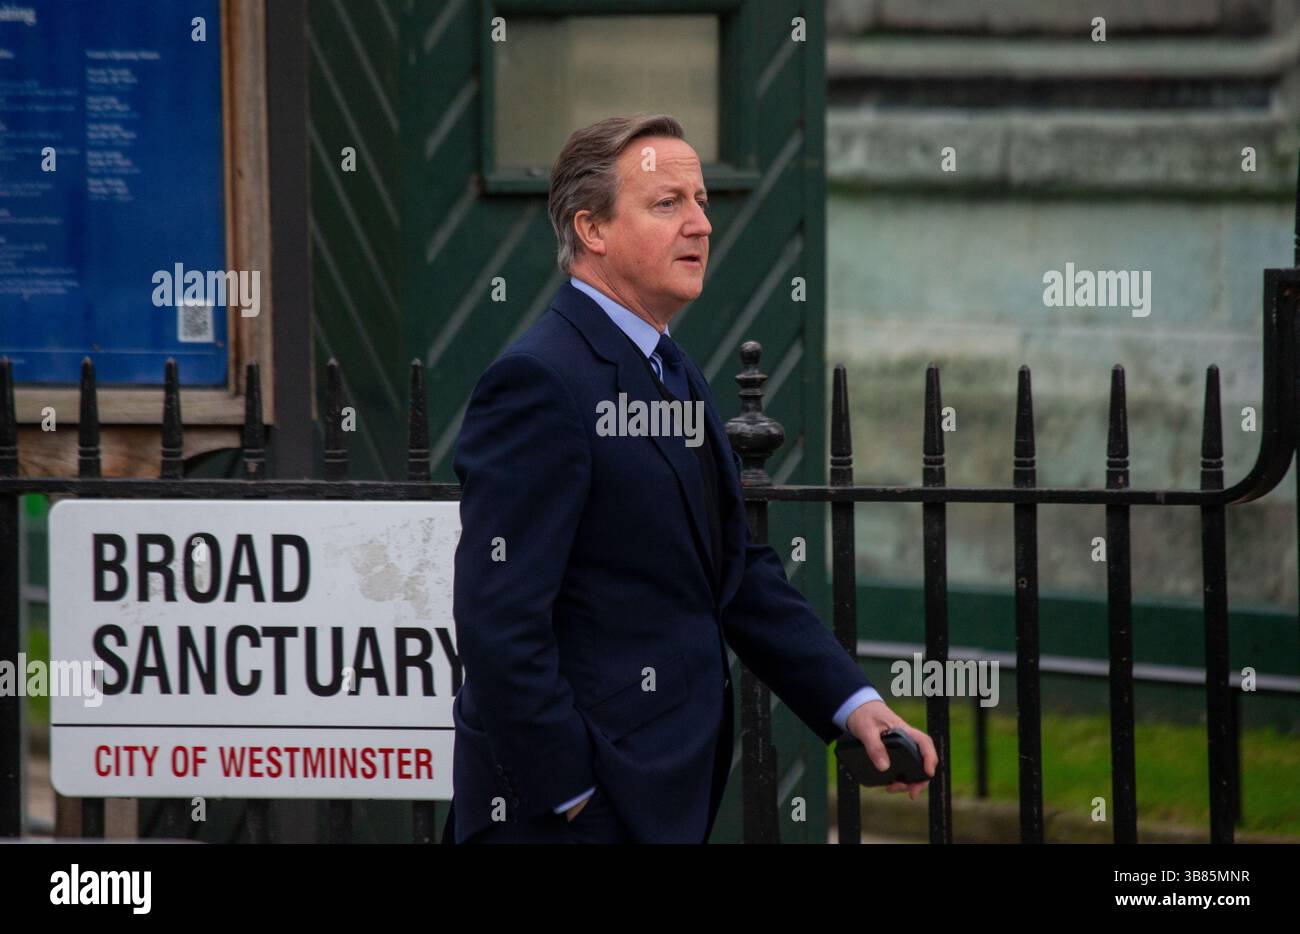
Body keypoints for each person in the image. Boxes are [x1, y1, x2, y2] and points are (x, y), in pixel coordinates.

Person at [443, 113, 936, 844]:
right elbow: (499, 621)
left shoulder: (671, 367)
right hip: (572, 815)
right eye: (667, 203)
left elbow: (734, 571)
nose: (701, 224)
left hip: (662, 797)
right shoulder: (540, 382)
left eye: (701, 200)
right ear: (592, 229)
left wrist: (852, 703)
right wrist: (573, 796)